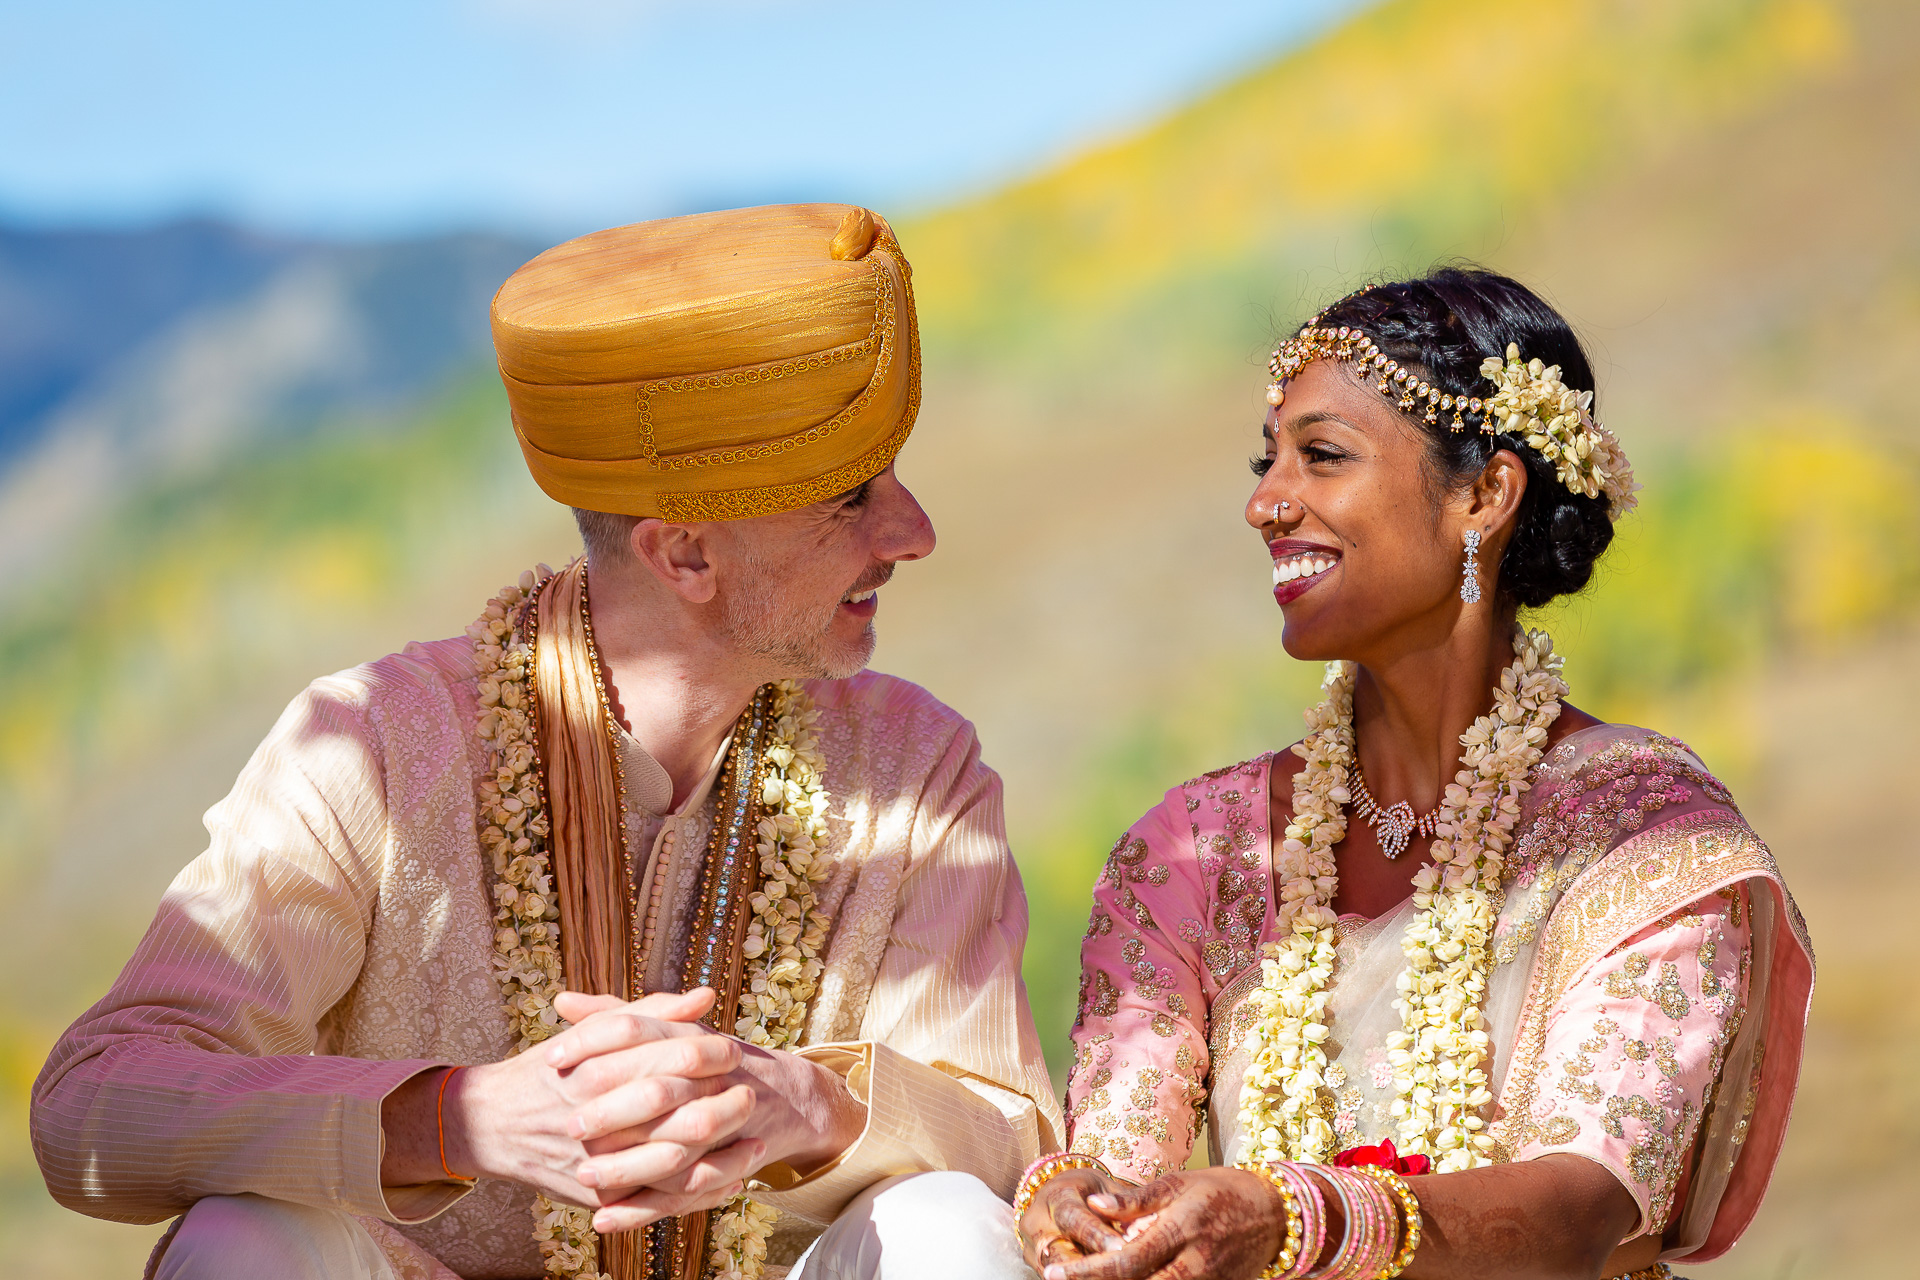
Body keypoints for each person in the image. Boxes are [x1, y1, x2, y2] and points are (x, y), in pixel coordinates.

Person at [32, 204, 1059, 1280]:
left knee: (948, 1224)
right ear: (685, 555)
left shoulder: (917, 764)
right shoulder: (375, 746)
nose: (915, 532)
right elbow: (94, 1103)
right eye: (852, 497)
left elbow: (1017, 1135)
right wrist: (453, 1118)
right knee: (245, 1245)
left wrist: (807, 1103)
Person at [1014, 270, 1812, 1280]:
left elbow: (1582, 1206)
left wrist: (1296, 1217)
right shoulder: (1195, 849)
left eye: (1322, 456)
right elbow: (1121, 1175)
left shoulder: (1642, 829)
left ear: (1484, 494)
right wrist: (1071, 1201)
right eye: (1269, 462)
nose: (1265, 503)